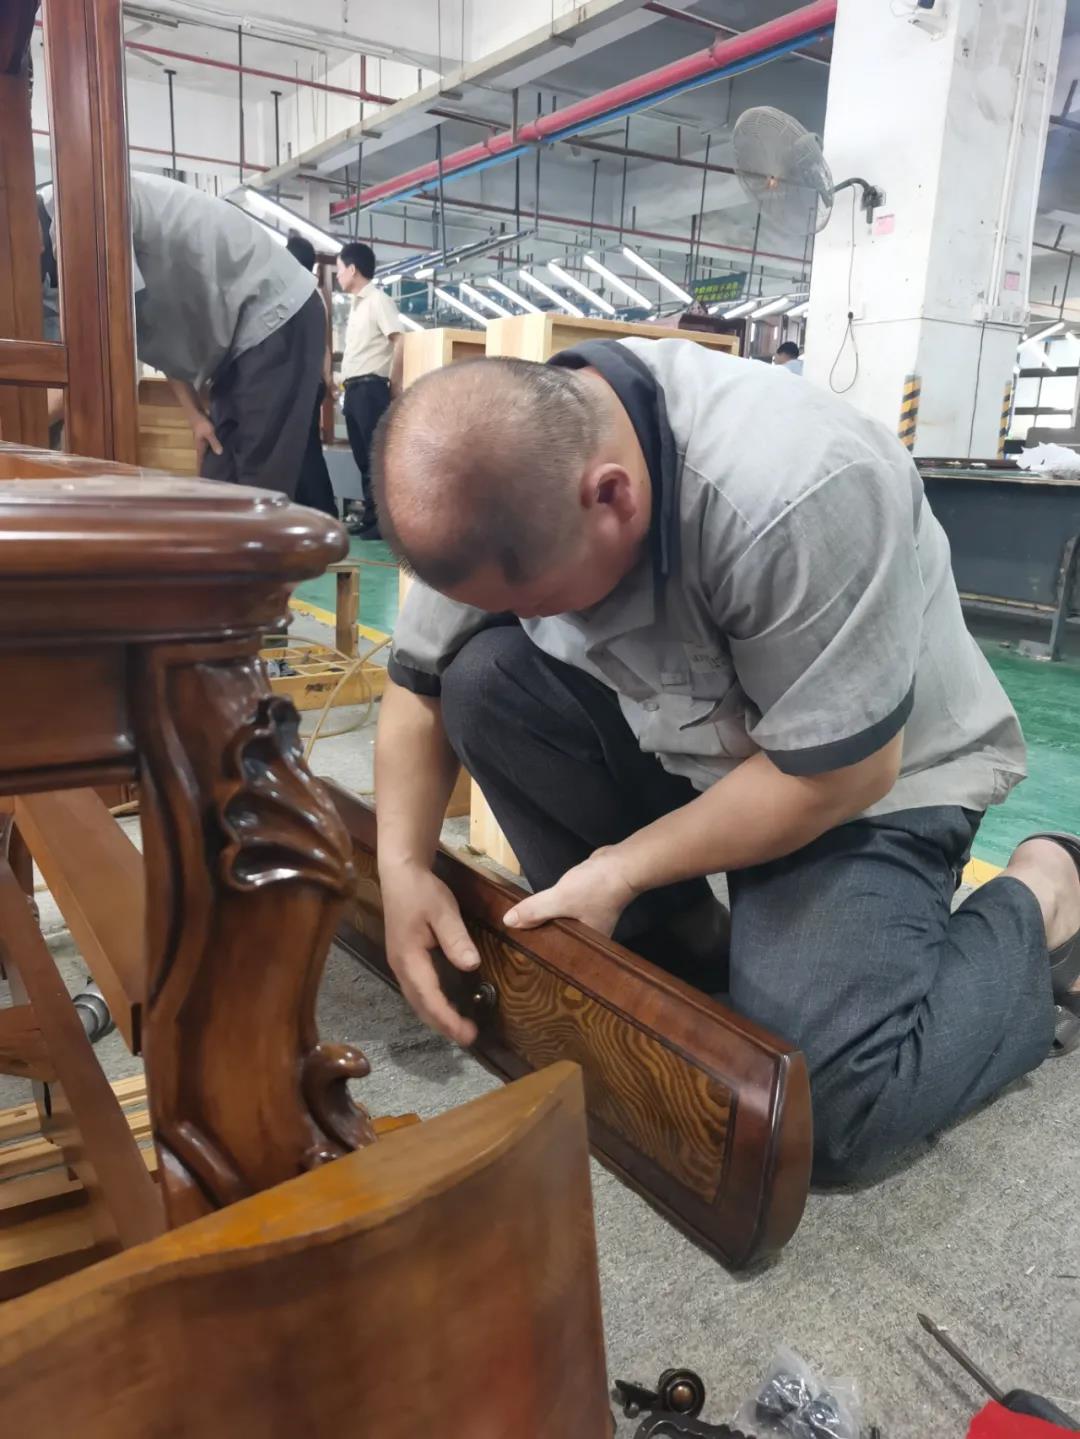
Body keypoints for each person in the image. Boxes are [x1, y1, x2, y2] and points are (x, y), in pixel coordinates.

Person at [369, 337, 1080, 1183]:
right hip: (693, 741)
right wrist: (400, 868)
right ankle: (684, 945)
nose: (536, 618)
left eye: (542, 601)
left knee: (823, 1110)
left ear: (612, 496)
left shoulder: (797, 490)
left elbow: (842, 774)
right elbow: (418, 686)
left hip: (867, 779)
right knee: (484, 682)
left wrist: (622, 867)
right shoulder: (496, 480)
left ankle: (1047, 894)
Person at [127, 172, 325, 497]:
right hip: (237, 340)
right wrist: (196, 418)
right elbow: (157, 336)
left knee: (258, 485)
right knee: (217, 475)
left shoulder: (88, 202)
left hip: (274, 310)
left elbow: (135, 326)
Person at [336, 241, 404, 538]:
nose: (338, 275)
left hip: (371, 388)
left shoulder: (378, 300)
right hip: (353, 390)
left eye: (339, 269)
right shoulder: (357, 306)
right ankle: (371, 515)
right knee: (363, 457)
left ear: (352, 269)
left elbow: (399, 341)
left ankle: (383, 523)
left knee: (376, 456)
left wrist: (395, 383)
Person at [284, 233, 339, 518]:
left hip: (297, 384)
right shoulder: (316, 295)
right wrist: (326, 381)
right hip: (311, 383)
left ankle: (322, 513)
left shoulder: (291, 293)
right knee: (305, 449)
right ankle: (315, 513)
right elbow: (325, 348)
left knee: (303, 452)